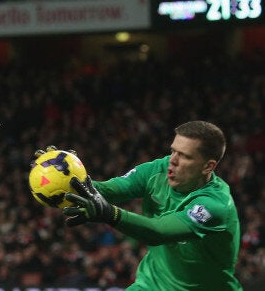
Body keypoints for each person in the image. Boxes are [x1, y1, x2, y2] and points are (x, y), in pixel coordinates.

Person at [58, 120, 242, 290]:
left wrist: (110, 214)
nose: (173, 160)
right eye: (173, 151)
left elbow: (158, 232)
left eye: (185, 156)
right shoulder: (158, 170)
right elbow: (109, 190)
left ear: (208, 166)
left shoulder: (215, 204)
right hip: (152, 285)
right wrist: (65, 173)